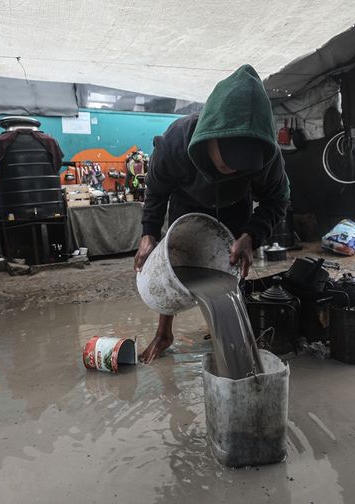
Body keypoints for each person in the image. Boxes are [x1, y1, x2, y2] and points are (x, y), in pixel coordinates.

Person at [134, 64, 290, 363]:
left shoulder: (268, 156)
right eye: (228, 160)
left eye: (242, 166)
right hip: (187, 202)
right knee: (174, 263)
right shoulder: (177, 140)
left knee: (230, 269)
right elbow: (156, 191)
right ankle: (164, 333)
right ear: (211, 135)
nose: (232, 169)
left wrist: (252, 235)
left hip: (235, 208)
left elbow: (278, 200)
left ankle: (230, 340)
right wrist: (149, 233)